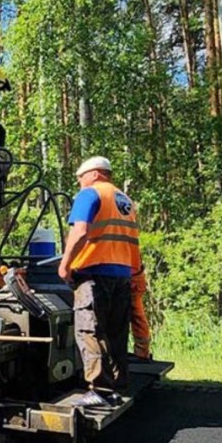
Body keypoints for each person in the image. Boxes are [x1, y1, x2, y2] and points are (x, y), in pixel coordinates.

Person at [57, 156, 141, 402]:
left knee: (89, 330)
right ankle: (119, 385)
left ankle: (99, 391)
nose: (79, 183)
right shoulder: (125, 201)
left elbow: (80, 231)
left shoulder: (90, 194)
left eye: (80, 177)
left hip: (93, 274)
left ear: (93, 173)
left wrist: (65, 264)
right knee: (116, 332)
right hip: (122, 274)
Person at [130, 266, 152, 359]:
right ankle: (142, 352)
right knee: (137, 316)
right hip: (134, 274)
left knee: (137, 316)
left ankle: (142, 352)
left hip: (130, 276)